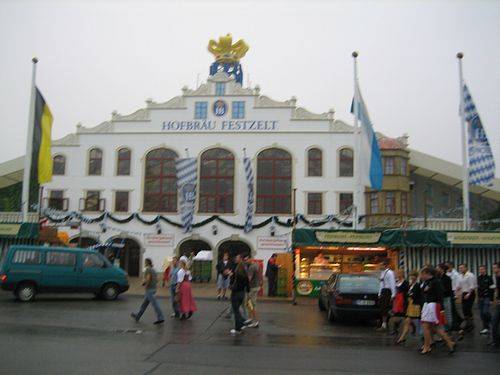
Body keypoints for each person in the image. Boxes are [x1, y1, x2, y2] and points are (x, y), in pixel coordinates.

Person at [419, 266, 455, 355]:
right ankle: (449, 342)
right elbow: (423, 291)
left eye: (423, 274)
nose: (421, 276)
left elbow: (440, 296)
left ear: (427, 274)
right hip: (428, 304)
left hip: (433, 305)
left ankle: (427, 346)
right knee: (435, 327)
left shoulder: (436, 282)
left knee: (426, 326)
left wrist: (441, 309)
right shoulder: (427, 282)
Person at [131, 258, 165, 325]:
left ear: (147, 263)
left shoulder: (148, 269)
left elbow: (148, 278)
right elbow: (157, 279)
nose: (144, 263)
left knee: (155, 304)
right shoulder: (153, 270)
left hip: (149, 289)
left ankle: (160, 317)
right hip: (153, 288)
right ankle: (137, 316)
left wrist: (146, 285)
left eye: (145, 262)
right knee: (144, 304)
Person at [396, 271, 422, 344]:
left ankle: (424, 336)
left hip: (415, 305)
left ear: (416, 277)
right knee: (407, 321)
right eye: (410, 276)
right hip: (410, 305)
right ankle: (402, 337)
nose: (411, 277)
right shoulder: (411, 285)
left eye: (413, 276)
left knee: (417, 321)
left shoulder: (417, 285)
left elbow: (414, 295)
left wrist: (409, 294)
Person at [229, 254, 250, 335]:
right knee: (237, 310)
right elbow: (247, 281)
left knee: (236, 311)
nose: (235, 259)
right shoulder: (244, 269)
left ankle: (238, 328)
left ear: (240, 259)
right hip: (242, 293)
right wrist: (247, 290)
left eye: (237, 258)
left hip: (236, 293)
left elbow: (236, 283)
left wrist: (231, 278)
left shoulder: (238, 270)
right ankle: (242, 323)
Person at [377, 259, 396, 331]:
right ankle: (384, 324)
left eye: (381, 265)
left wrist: (393, 294)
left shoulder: (390, 273)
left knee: (386, 308)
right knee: (382, 308)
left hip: (388, 291)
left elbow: (392, 283)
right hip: (383, 291)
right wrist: (379, 293)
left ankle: (387, 324)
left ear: (385, 265)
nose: (380, 266)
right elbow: (381, 283)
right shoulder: (382, 273)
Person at [457, 263, 477, 332]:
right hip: (464, 293)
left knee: (467, 308)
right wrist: (457, 290)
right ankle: (469, 323)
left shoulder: (470, 275)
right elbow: (460, 285)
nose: (461, 269)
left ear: (466, 268)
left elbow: (472, 286)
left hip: (470, 293)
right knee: (464, 309)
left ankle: (470, 324)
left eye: (462, 268)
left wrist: (468, 294)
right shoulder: (460, 276)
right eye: (460, 268)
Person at [445, 261, 463, 332]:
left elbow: (458, 285)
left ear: (451, 266)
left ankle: (456, 325)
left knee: (452, 309)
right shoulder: (447, 273)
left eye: (447, 266)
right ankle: (459, 320)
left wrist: (456, 294)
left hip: (453, 292)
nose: (446, 268)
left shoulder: (456, 274)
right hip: (449, 292)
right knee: (452, 309)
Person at [245, 254, 262, 328]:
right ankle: (250, 318)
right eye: (244, 260)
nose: (245, 261)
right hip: (257, 286)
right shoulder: (257, 265)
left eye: (246, 260)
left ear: (250, 259)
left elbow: (249, 279)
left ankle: (255, 322)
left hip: (252, 287)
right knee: (249, 303)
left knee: (251, 304)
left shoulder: (251, 267)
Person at [389, 270, 409, 335]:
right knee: (395, 314)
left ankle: (400, 328)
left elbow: (406, 291)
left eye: (398, 273)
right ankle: (395, 329)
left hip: (402, 299)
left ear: (402, 274)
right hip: (396, 299)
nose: (397, 275)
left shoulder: (405, 282)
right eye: (397, 274)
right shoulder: (396, 282)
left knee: (401, 314)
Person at [477, 265, 495, 335]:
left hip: (487, 298)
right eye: (480, 270)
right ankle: (486, 328)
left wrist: (492, 299)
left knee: (485, 312)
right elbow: (478, 288)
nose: (481, 271)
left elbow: (492, 289)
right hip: (480, 298)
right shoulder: (478, 278)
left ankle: (493, 321)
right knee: (482, 314)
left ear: (485, 270)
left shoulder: (489, 278)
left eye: (482, 269)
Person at [436, 263, 453, 331]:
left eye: (438, 268)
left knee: (447, 314)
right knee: (441, 315)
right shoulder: (437, 277)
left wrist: (441, 290)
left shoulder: (447, 278)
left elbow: (449, 290)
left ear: (442, 269)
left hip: (446, 298)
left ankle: (448, 329)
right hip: (439, 299)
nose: (437, 269)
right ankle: (443, 330)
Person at [489, 262, 500, 346]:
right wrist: (495, 298)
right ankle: (495, 340)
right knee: (494, 321)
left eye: (495, 268)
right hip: (498, 303)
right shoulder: (496, 276)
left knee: (495, 321)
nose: (493, 269)